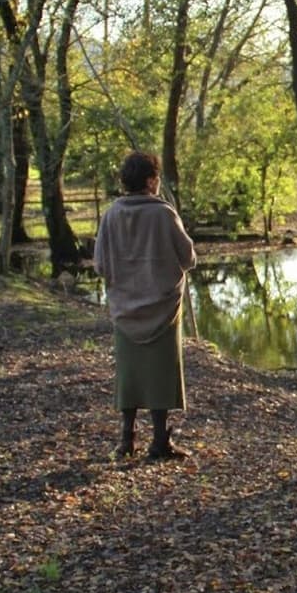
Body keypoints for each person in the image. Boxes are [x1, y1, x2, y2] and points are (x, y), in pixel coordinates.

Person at [94, 151, 197, 461]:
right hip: (163, 308)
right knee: (161, 374)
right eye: (157, 177)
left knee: (129, 375)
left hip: (125, 308)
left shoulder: (111, 214)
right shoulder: (164, 214)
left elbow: (99, 264)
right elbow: (189, 258)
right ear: (151, 180)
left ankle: (126, 440)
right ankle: (159, 442)